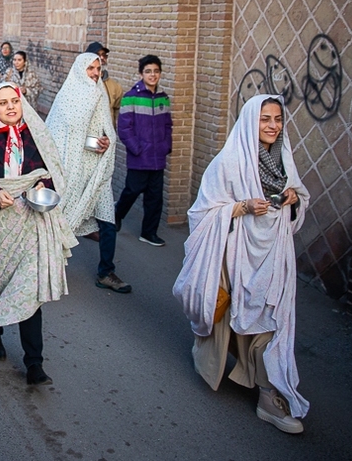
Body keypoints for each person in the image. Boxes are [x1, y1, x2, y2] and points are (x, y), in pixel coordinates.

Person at [172, 95, 309, 435]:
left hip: (273, 256)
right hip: (236, 257)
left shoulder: (284, 161)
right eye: (265, 119)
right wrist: (243, 207)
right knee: (232, 318)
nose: (273, 126)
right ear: (251, 121)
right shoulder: (229, 162)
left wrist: (294, 198)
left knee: (270, 320)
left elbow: (298, 200)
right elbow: (202, 213)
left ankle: (267, 396)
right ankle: (219, 363)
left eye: (278, 119)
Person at [0, 84, 76, 386]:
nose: (11, 107)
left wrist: (43, 187)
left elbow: (47, 172)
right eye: (4, 103)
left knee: (30, 291)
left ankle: (34, 363)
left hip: (29, 224)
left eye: (15, 101)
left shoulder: (33, 136)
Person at [46, 53, 130, 294]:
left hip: (97, 170)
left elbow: (106, 128)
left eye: (98, 68)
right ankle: (47, 268)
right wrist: (95, 143)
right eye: (90, 68)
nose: (95, 73)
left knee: (107, 219)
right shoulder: (67, 96)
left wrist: (106, 141)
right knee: (61, 219)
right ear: (80, 70)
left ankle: (106, 272)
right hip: (73, 170)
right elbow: (63, 136)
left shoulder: (100, 92)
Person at [115, 55, 172, 246]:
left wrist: (166, 146)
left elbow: (167, 125)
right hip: (139, 156)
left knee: (155, 198)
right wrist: (136, 148)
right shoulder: (131, 97)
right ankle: (117, 215)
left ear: (160, 73)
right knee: (132, 191)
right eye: (148, 71)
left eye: (156, 71)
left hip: (158, 158)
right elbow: (124, 128)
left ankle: (149, 233)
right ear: (141, 74)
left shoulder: (164, 98)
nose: (152, 75)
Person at [86, 42, 122, 127]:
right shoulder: (78, 85)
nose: (102, 58)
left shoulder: (115, 87)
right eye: (98, 55)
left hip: (106, 137)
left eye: (104, 55)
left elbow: (117, 114)